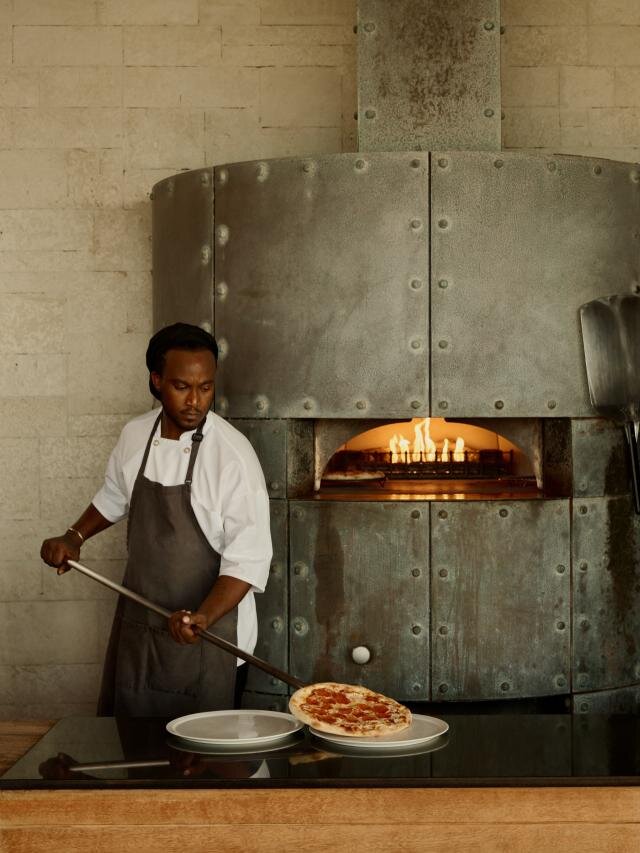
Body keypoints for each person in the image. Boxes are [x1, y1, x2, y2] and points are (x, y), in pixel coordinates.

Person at [40, 322, 272, 717]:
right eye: (182, 387)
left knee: (201, 762)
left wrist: (201, 618)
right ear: (157, 380)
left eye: (206, 387)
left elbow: (248, 561)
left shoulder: (233, 457)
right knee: (133, 746)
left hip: (208, 635)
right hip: (141, 624)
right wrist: (75, 535)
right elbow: (115, 495)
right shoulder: (135, 435)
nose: (196, 401)